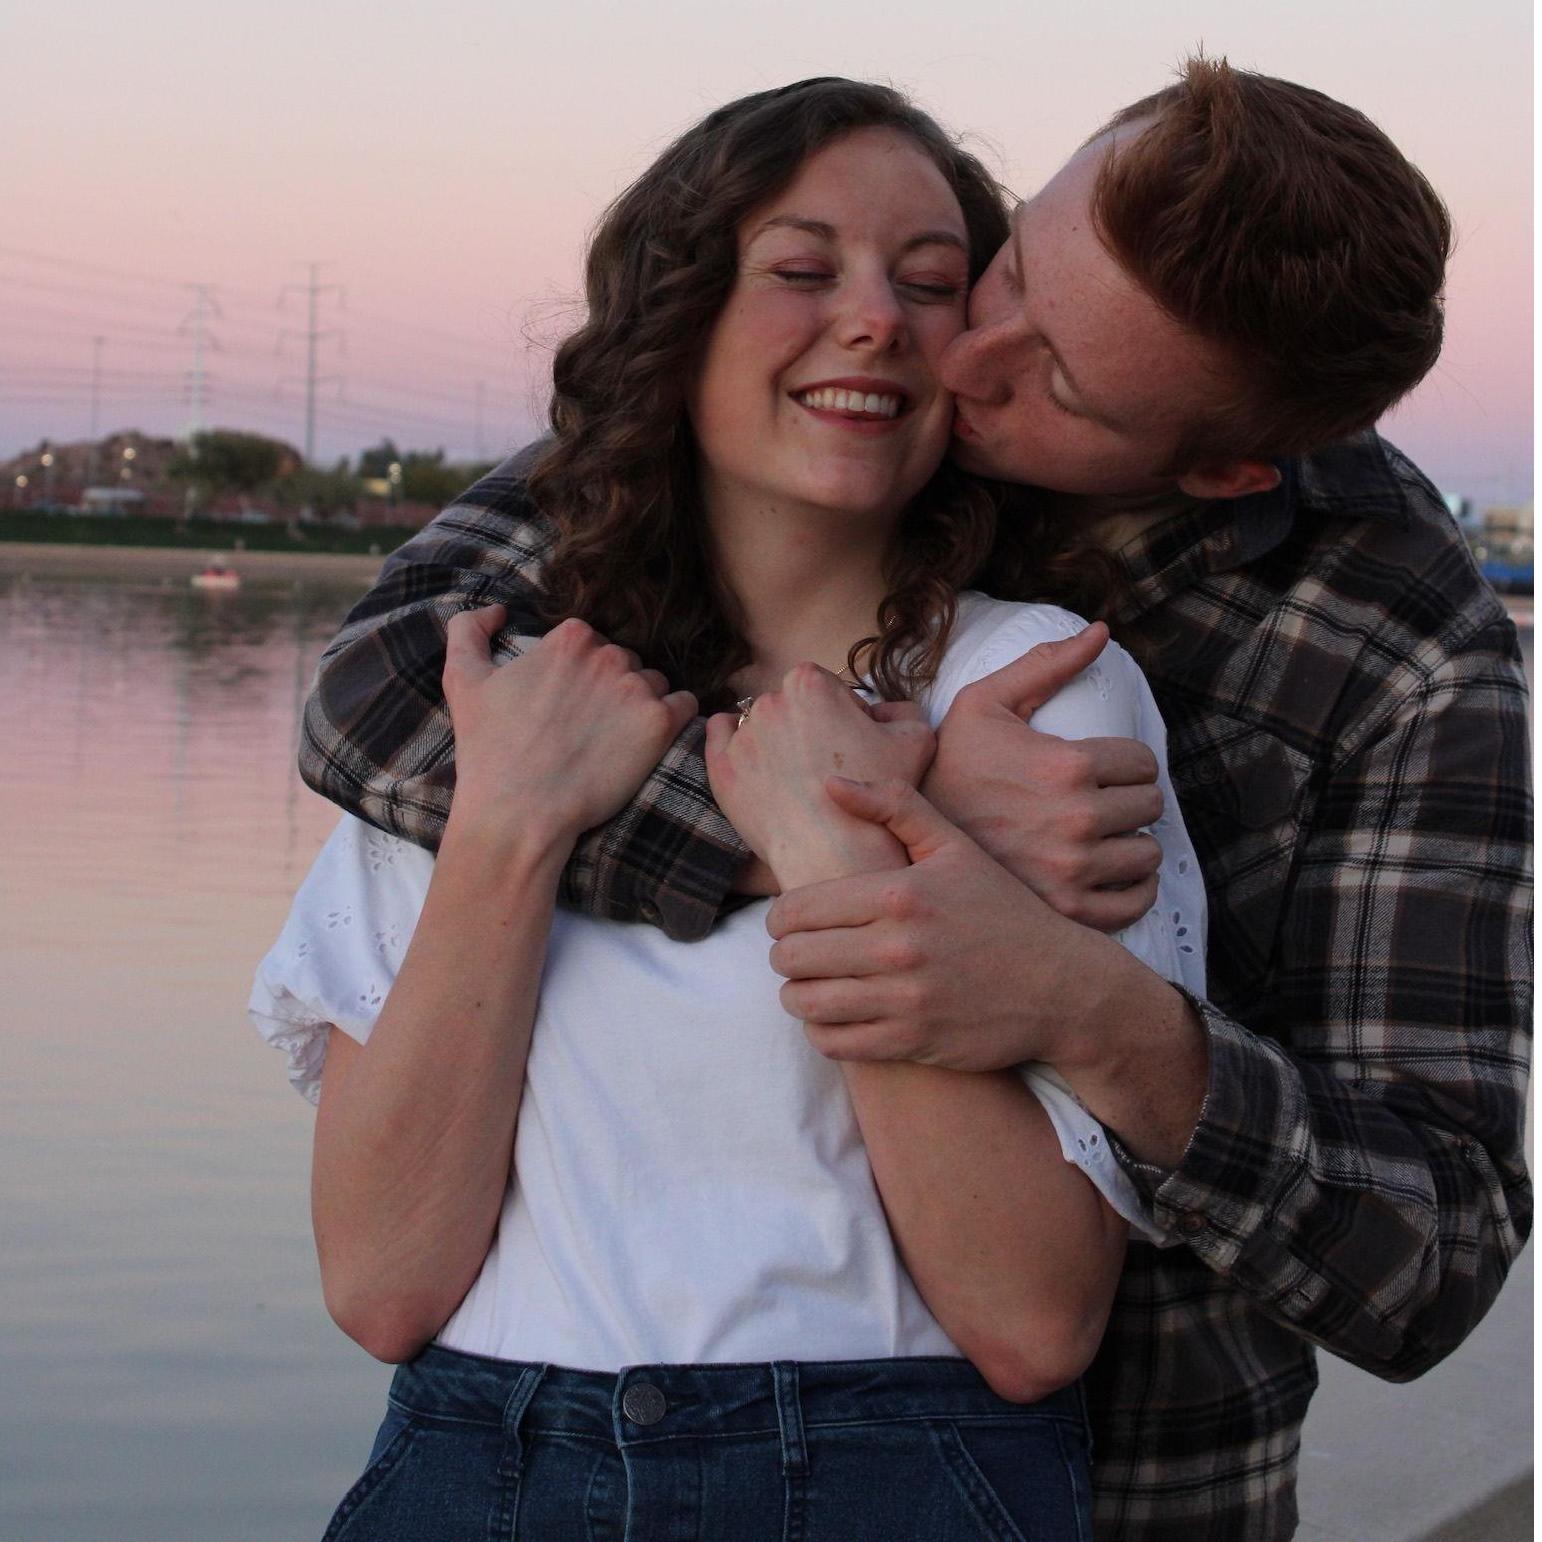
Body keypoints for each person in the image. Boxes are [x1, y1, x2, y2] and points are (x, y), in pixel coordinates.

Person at [294, 58, 1532, 1540]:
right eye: (1006, 272)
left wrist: (1085, 1007)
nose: (948, 350)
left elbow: (1421, 1255)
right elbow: (376, 687)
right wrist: (865, 813)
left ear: (1219, 468)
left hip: (1118, 1475)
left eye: (1050, 374)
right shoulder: (602, 597)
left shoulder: (1376, 643)